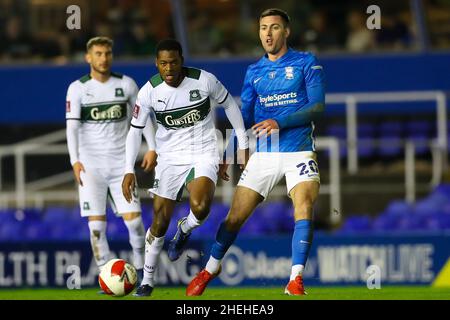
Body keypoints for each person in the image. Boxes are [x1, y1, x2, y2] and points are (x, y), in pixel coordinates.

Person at [186, 8, 326, 296]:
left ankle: (295, 279)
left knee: (304, 206)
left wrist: (279, 121)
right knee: (235, 218)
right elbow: (244, 119)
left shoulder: (305, 62)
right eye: (263, 28)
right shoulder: (254, 71)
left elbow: (317, 106)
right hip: (264, 153)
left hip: (299, 149)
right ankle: (211, 266)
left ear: (286, 32)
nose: (268, 33)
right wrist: (230, 152)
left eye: (274, 27)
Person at [122, 39, 249, 297]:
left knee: (201, 207)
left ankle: (185, 228)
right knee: (158, 222)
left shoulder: (204, 80)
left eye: (174, 62)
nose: (169, 68)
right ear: (157, 64)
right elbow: (135, 131)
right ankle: (147, 281)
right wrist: (128, 169)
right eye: (163, 63)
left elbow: (231, 106)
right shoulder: (148, 92)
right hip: (169, 159)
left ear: (182, 61)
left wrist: (242, 143)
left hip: (203, 152)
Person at [65, 36, 156, 282]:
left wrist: (152, 147)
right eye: (98, 54)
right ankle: (106, 277)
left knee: (135, 223)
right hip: (90, 167)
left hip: (121, 165)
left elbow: (142, 117)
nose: (103, 58)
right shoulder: (77, 88)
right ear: (88, 57)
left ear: (112, 56)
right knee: (96, 227)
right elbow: (71, 128)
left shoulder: (126, 85)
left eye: (107, 53)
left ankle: (140, 273)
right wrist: (74, 160)